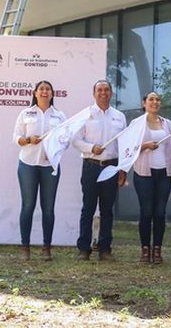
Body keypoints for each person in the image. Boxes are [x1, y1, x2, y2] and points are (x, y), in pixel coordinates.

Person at [72, 80, 127, 261]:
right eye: (99, 90)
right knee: (88, 209)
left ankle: (105, 249)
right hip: (91, 166)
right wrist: (91, 148)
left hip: (111, 167)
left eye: (106, 90)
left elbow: (125, 145)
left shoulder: (119, 116)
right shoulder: (85, 115)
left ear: (111, 93)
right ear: (94, 93)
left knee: (107, 210)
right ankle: (84, 249)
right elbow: (76, 141)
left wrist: (123, 169)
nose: (103, 93)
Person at [12, 80, 67, 261]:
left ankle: (46, 248)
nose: (44, 92)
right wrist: (28, 140)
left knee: (48, 208)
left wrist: (53, 153)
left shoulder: (59, 116)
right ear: (35, 93)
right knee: (28, 206)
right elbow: (16, 138)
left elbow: (65, 141)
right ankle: (25, 247)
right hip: (27, 165)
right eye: (41, 89)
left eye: (48, 89)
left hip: (49, 167)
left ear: (52, 94)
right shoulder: (26, 113)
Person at [131, 91, 171, 264]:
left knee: (160, 212)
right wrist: (144, 145)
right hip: (144, 173)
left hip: (164, 172)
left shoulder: (168, 123)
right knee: (146, 211)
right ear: (144, 103)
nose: (155, 102)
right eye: (151, 99)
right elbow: (129, 147)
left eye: (157, 99)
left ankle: (157, 249)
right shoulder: (136, 123)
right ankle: (145, 249)